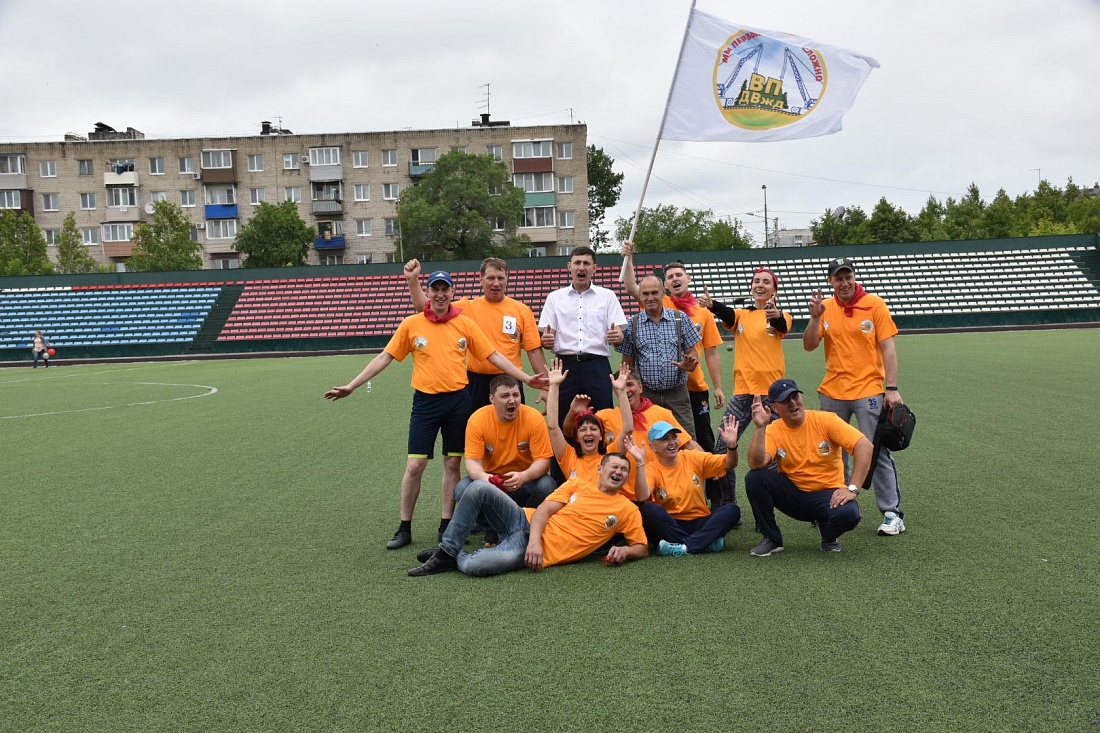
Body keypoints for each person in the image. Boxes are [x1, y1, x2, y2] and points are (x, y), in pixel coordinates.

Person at [324, 270, 547, 550]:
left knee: (452, 463)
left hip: (458, 401)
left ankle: (446, 524)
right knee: (415, 465)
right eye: (435, 289)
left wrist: (526, 378)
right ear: (428, 293)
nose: (440, 295)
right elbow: (385, 357)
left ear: (452, 292)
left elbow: (494, 355)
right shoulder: (412, 324)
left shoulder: (464, 323)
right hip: (426, 403)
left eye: (445, 289)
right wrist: (352, 385)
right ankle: (404, 527)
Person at [407, 452, 649, 577]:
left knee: (474, 566)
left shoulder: (627, 509)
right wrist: (535, 542)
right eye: (614, 466)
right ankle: (448, 550)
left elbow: (641, 547)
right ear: (600, 469)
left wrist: (626, 551)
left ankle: (452, 555)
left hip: (527, 549)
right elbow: (544, 509)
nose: (619, 471)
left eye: (624, 470)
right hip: (523, 521)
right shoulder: (577, 484)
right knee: (479, 487)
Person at [803, 257, 907, 537]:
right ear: (831, 281)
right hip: (832, 391)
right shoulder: (825, 307)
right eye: (838, 278)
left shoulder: (875, 304)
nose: (844, 283)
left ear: (855, 277)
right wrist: (815, 318)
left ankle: (892, 513)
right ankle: (834, 505)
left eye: (848, 277)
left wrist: (892, 387)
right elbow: (809, 345)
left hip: (868, 390)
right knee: (831, 452)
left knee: (875, 451)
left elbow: (888, 348)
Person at [744, 379, 872, 556]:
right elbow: (756, 463)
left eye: (795, 397)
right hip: (794, 495)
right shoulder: (773, 430)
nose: (792, 403)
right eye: (785, 400)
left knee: (849, 514)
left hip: (828, 494)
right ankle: (772, 539)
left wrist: (853, 488)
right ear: (774, 408)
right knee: (755, 478)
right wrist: (760, 427)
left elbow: (865, 446)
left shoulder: (826, 420)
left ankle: (828, 533)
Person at [698, 267, 792, 507]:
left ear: (774, 289)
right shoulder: (742, 315)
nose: (760, 285)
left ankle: (787, 502)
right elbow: (728, 314)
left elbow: (780, 324)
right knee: (722, 447)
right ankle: (727, 505)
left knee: (777, 451)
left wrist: (774, 313)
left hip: (772, 395)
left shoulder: (782, 315)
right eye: (756, 281)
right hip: (743, 393)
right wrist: (712, 304)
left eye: (766, 282)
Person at [620, 246, 726, 453]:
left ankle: (706, 472)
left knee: (692, 438)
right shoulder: (638, 319)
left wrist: (702, 372)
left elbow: (707, 351)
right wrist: (629, 257)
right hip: (649, 392)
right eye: (670, 276)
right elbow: (632, 286)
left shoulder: (692, 313)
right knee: (650, 440)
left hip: (686, 388)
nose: (650, 297)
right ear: (666, 285)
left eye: (679, 275)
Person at [404, 257, 548, 408]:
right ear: (481, 280)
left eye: (500, 278)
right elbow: (426, 308)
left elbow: (534, 351)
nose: (496, 283)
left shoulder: (522, 310)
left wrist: (546, 387)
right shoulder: (466, 307)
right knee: (475, 423)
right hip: (476, 382)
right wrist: (413, 280)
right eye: (491, 278)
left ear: (507, 280)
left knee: (512, 422)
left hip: (510, 381)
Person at [564, 368, 699, 502]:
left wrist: (704, 463)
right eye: (621, 386)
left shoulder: (661, 413)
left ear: (640, 387)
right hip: (618, 493)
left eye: (629, 384)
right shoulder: (605, 416)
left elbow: (686, 443)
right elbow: (571, 432)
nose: (626, 389)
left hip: (654, 493)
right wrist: (572, 413)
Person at [456, 374, 557, 545]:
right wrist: (485, 478)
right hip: (492, 482)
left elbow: (543, 461)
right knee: (462, 489)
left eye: (516, 395)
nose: (512, 400)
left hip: (524, 482)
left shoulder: (534, 418)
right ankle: (491, 528)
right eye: (505, 396)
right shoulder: (477, 419)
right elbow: (472, 463)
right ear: (492, 399)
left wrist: (523, 476)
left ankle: (524, 525)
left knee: (547, 485)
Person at [538, 246, 628, 424]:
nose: (581, 267)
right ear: (569, 266)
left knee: (603, 417)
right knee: (564, 417)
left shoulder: (607, 296)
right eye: (577, 263)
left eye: (586, 263)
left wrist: (617, 336)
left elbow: (618, 332)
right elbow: (547, 337)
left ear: (594, 268)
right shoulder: (554, 298)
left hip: (597, 366)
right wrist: (546, 340)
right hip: (565, 367)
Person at [616, 274, 702, 441]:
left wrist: (690, 363)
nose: (650, 298)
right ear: (640, 296)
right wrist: (627, 389)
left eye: (654, 292)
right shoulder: (632, 324)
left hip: (677, 394)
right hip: (647, 395)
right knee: (648, 439)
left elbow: (692, 352)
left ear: (663, 292)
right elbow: (627, 363)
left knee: (686, 439)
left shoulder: (680, 318)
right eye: (645, 294)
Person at [641, 417, 742, 557]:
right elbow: (643, 495)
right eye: (665, 439)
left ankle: (684, 547)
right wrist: (639, 463)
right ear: (653, 446)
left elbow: (729, 463)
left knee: (732, 510)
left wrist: (731, 446)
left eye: (674, 437)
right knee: (648, 510)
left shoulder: (692, 457)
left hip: (700, 521)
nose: (672, 442)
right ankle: (705, 543)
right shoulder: (651, 469)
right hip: (672, 524)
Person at [546, 358, 638, 489]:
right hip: (578, 502)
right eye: (583, 429)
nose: (588, 433)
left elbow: (628, 429)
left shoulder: (610, 456)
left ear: (601, 436)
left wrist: (621, 391)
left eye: (593, 429)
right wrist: (554, 386)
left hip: (605, 502)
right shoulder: (569, 456)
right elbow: (552, 426)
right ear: (577, 437)